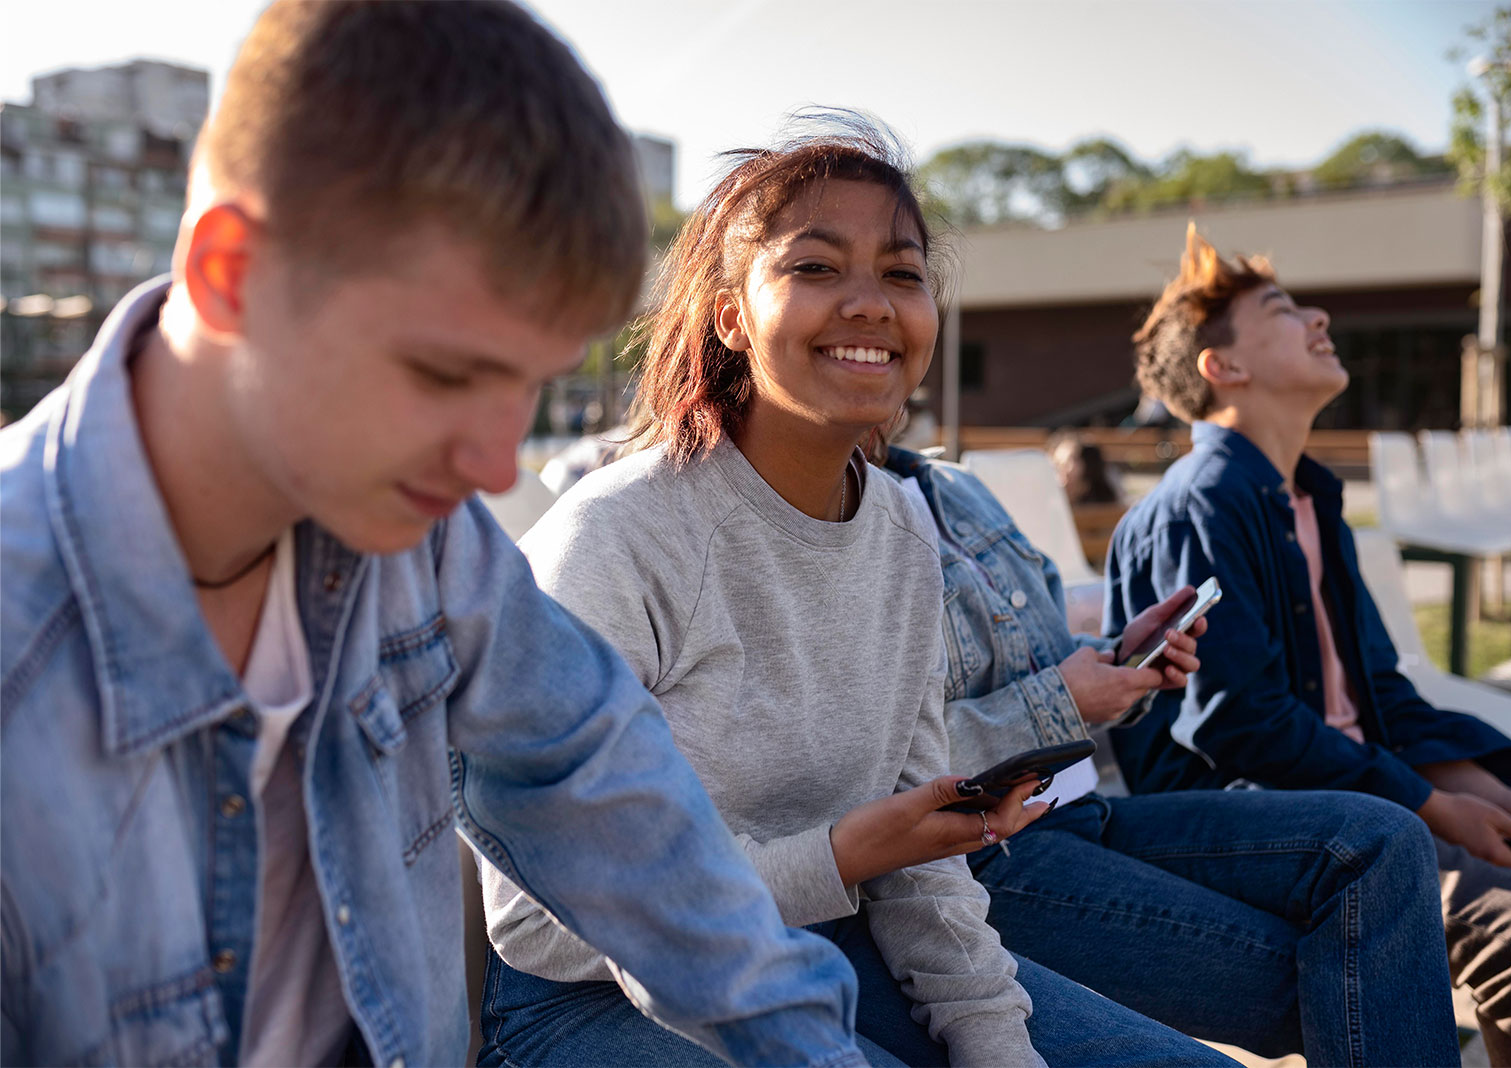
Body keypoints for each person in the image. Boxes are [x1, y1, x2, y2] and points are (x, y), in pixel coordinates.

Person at [0, 5, 869, 1066]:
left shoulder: (414, 534)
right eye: (444, 376)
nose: (495, 466)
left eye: (525, 385)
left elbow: (594, 779)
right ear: (231, 272)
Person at [477, 121, 1239, 1068]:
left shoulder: (907, 533)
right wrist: (838, 858)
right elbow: (541, 925)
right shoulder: (618, 539)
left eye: (903, 275)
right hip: (587, 1004)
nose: (871, 305)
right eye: (816, 268)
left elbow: (925, 876)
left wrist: (999, 1047)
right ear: (728, 317)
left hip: (832, 948)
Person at [1104, 223, 1511, 1067]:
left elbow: (1381, 689)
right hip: (1252, 809)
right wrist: (1435, 809)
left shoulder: (1311, 500)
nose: (1320, 318)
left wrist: (1478, 789)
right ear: (1225, 367)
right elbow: (1242, 726)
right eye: (1285, 311)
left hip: (1363, 786)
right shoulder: (1202, 503)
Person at [880, 442, 1460, 1066]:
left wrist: (1116, 659)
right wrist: (1060, 699)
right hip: (985, 852)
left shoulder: (950, 484)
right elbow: (878, 760)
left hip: (1081, 806)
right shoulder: (855, 520)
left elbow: (1034, 653)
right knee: (1363, 969)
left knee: (1382, 838)